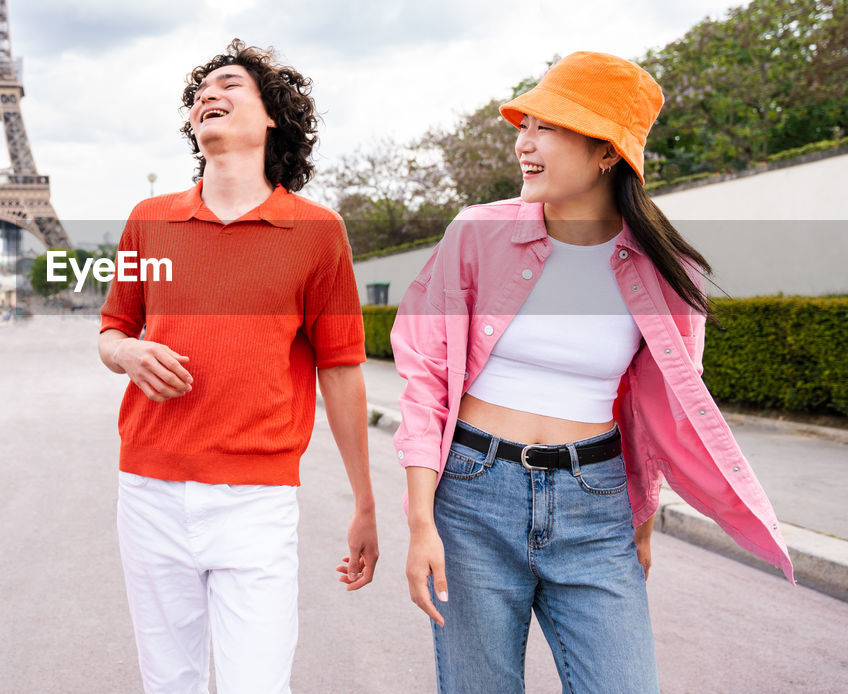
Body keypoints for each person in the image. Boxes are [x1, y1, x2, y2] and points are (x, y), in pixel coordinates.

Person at [392, 51, 793, 693]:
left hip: (595, 502)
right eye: (524, 126)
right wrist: (420, 523)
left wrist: (639, 524)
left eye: (546, 127)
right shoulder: (475, 235)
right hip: (472, 497)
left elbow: (660, 420)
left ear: (608, 152)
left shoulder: (668, 271)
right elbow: (426, 380)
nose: (524, 144)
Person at [98, 39, 379, 694]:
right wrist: (130, 352)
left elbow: (340, 369)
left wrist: (365, 501)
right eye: (201, 91)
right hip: (150, 490)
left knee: (257, 684)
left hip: (257, 500)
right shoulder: (149, 220)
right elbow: (112, 331)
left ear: (273, 116)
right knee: (169, 685)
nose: (208, 96)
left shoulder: (317, 232)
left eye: (230, 84)